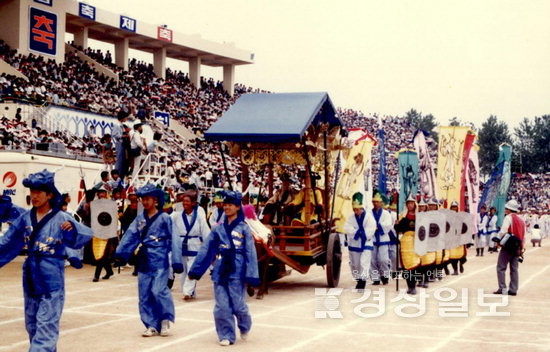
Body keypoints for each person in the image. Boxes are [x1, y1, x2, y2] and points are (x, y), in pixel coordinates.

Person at [0, 169, 93, 351]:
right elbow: (7, 241)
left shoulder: (62, 218)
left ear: (49, 194)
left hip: (51, 278)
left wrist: (72, 231)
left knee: (46, 328)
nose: (34, 196)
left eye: (38, 192)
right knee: (32, 326)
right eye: (31, 192)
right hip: (30, 276)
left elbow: (84, 234)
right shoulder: (25, 218)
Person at [188, 191, 260, 346]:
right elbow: (206, 249)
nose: (226, 207)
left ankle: (244, 326)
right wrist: (196, 270)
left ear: (237, 207)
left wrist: (252, 275)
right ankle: (226, 334)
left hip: (237, 270)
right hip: (220, 269)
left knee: (239, 305)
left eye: (230, 205)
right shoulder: (218, 229)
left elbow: (250, 252)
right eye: (225, 204)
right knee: (221, 306)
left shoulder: (244, 228)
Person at [114, 183, 183, 337]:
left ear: (155, 200)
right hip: (144, 259)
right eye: (142, 199)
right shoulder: (140, 219)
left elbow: (175, 238)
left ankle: (165, 320)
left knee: (158, 291)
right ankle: (151, 323)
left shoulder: (165, 218)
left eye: (148, 199)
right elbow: (130, 236)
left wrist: (177, 260)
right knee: (144, 294)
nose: (144, 202)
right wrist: (121, 253)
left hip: (160, 260)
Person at [170, 190, 210, 300]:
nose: (184, 203)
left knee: (192, 269)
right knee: (183, 271)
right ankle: (190, 292)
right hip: (181, 245)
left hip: (195, 245)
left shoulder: (199, 217)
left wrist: (209, 246)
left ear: (193, 203)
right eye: (183, 201)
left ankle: (187, 292)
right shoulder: (176, 215)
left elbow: (206, 232)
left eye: (187, 201)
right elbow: (167, 221)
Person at [343, 192, 376, 289]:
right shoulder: (351, 217)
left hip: (366, 242)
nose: (356, 211)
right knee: (355, 263)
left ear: (362, 208)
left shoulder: (369, 217)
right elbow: (347, 227)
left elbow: (371, 228)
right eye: (354, 209)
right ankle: (358, 279)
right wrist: (357, 232)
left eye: (358, 209)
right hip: (355, 242)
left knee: (364, 262)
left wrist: (362, 233)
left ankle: (363, 281)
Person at [492, 199, 525, 296]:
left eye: (506, 208)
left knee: (501, 267)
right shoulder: (521, 220)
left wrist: (497, 239)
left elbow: (503, 231)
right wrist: (522, 247)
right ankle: (513, 289)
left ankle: (502, 288)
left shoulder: (508, 218)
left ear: (509, 209)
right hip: (517, 246)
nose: (505, 210)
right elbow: (524, 235)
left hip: (508, 246)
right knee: (514, 269)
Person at [370, 193, 393, 285]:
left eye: (377, 202)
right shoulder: (369, 213)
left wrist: (378, 226)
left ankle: (385, 276)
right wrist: (372, 227)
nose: (375, 203)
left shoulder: (386, 213)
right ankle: (375, 278)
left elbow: (388, 225)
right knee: (372, 260)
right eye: (374, 202)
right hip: (372, 239)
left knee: (383, 259)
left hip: (383, 239)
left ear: (381, 203)